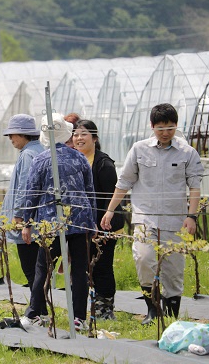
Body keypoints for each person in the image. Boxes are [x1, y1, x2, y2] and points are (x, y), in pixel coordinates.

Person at [101, 103, 203, 324]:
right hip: (145, 219)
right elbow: (124, 182)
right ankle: (153, 310)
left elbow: (195, 186)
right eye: (160, 128)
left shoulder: (188, 153)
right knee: (144, 260)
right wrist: (110, 210)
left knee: (174, 269)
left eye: (170, 128)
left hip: (175, 220)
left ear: (176, 126)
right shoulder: (139, 149)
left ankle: (171, 316)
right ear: (152, 126)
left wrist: (191, 216)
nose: (165, 133)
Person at [20, 113, 96, 331]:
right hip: (80, 221)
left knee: (43, 268)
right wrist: (91, 224)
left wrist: (27, 223)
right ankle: (79, 318)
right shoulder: (79, 158)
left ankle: (35, 313)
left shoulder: (41, 160)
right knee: (80, 270)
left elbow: (31, 193)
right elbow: (89, 192)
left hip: (50, 223)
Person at [73, 119, 125, 320]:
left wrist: (99, 225)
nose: (79, 138)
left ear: (94, 138)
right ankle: (87, 307)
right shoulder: (74, 160)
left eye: (84, 134)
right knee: (83, 267)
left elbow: (108, 199)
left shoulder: (104, 164)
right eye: (76, 134)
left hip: (104, 225)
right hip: (81, 225)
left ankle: (105, 309)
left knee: (102, 265)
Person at [0, 114, 44, 291]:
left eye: (13, 134)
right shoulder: (40, 150)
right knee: (39, 269)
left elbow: (25, 188)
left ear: (23, 134)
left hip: (27, 221)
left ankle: (37, 312)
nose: (10, 139)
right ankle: (39, 309)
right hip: (39, 219)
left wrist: (19, 215)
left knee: (31, 269)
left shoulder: (27, 155)